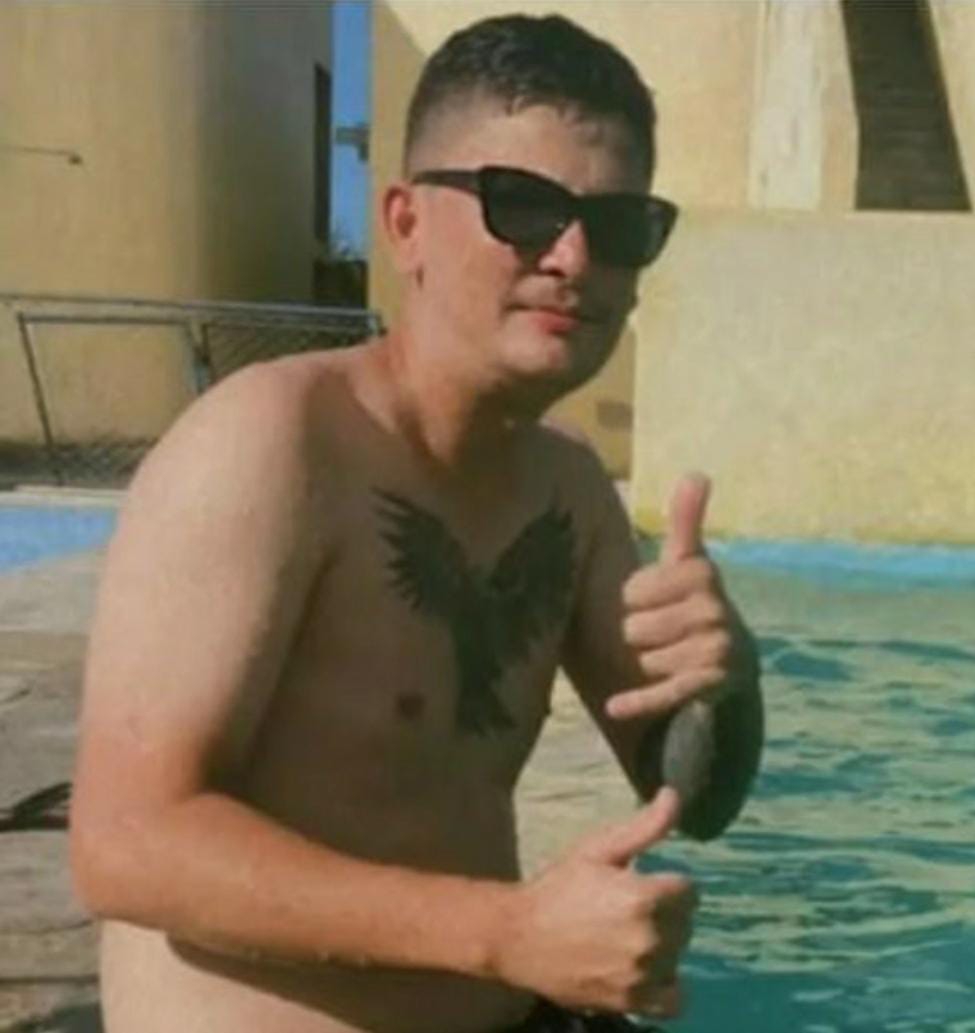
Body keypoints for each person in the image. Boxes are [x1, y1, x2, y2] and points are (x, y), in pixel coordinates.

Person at [69, 13, 763, 1033]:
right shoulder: (274, 446)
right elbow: (125, 842)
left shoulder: (568, 486)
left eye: (617, 225)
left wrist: (728, 683)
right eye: (522, 206)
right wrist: (506, 932)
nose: (573, 256)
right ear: (403, 225)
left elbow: (693, 797)